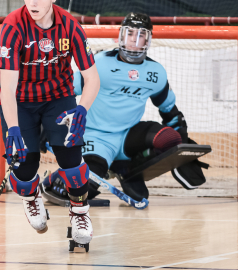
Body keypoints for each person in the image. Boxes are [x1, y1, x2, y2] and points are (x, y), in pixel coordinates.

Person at [0, 0, 100, 250]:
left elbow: (92, 78)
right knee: (24, 164)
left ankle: (79, 213)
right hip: (20, 100)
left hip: (58, 97)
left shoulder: (70, 27)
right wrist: (13, 128)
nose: (32, 2)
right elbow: (6, 88)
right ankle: (31, 199)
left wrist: (82, 110)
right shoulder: (12, 27)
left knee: (70, 156)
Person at [67, 12, 206, 203]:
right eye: (130, 33)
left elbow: (171, 114)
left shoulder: (156, 73)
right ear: (120, 35)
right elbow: (63, 93)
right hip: (95, 136)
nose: (134, 40)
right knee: (84, 190)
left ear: (148, 40)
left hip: (127, 136)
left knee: (169, 138)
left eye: (141, 35)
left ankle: (127, 170)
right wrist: (47, 126)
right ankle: (51, 182)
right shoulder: (99, 63)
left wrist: (180, 151)